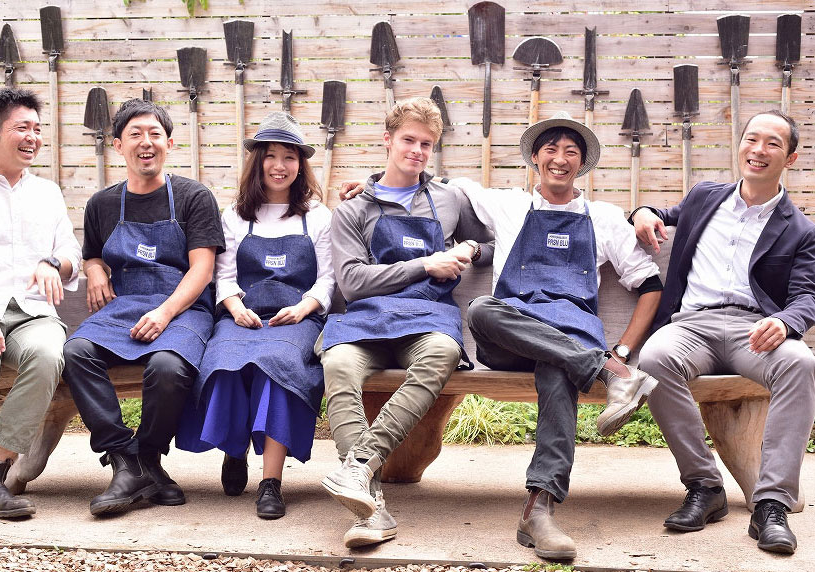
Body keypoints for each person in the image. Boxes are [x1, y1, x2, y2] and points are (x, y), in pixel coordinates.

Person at [445, 111, 663, 560]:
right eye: (551, 149)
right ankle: (610, 372)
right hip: (507, 339)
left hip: (568, 339)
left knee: (557, 366)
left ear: (582, 163)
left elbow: (650, 285)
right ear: (535, 158)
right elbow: (453, 184)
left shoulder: (602, 218)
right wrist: (366, 187)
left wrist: (624, 346)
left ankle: (538, 509)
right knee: (482, 308)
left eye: (571, 152)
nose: (560, 158)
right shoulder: (507, 204)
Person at [632, 110, 815, 555]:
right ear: (740, 146)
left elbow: (808, 296)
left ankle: (771, 504)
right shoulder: (704, 197)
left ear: (789, 159)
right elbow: (662, 213)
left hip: (755, 331)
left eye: (772, 143)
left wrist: (785, 322)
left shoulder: (801, 228)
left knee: (801, 363)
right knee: (655, 359)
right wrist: (641, 211)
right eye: (752, 139)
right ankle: (704, 485)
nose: (758, 150)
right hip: (693, 325)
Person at [318, 97, 493, 548]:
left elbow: (486, 240)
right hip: (366, 318)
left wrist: (470, 251)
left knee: (442, 353)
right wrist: (425, 265)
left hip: (428, 317)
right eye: (409, 140)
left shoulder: (450, 198)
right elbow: (353, 282)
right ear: (388, 140)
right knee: (338, 365)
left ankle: (358, 469)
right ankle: (372, 503)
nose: (417, 151)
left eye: (426, 144)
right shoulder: (354, 209)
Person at [62, 99, 224, 516]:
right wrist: (95, 268)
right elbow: (93, 252)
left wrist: (166, 312)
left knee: (168, 367)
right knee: (77, 351)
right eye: (135, 134)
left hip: (184, 307)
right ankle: (124, 459)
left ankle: (148, 455)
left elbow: (202, 268)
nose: (146, 142)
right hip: (126, 305)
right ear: (118, 145)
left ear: (169, 142)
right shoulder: (101, 203)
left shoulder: (194, 196)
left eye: (155, 134)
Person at [176, 112, 335, 519]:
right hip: (243, 314)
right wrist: (234, 307)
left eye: (290, 157)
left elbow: (329, 279)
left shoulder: (317, 215)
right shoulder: (235, 216)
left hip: (297, 320)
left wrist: (303, 307)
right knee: (224, 359)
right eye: (271, 156)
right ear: (257, 161)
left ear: (302, 165)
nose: (280, 166)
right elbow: (222, 275)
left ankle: (271, 482)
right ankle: (234, 450)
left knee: (276, 366)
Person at [0, 88, 81, 548]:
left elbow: (71, 251)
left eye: (37, 129)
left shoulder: (47, 192)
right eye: (21, 128)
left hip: (31, 314)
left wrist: (55, 265)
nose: (33, 138)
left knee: (50, 355)